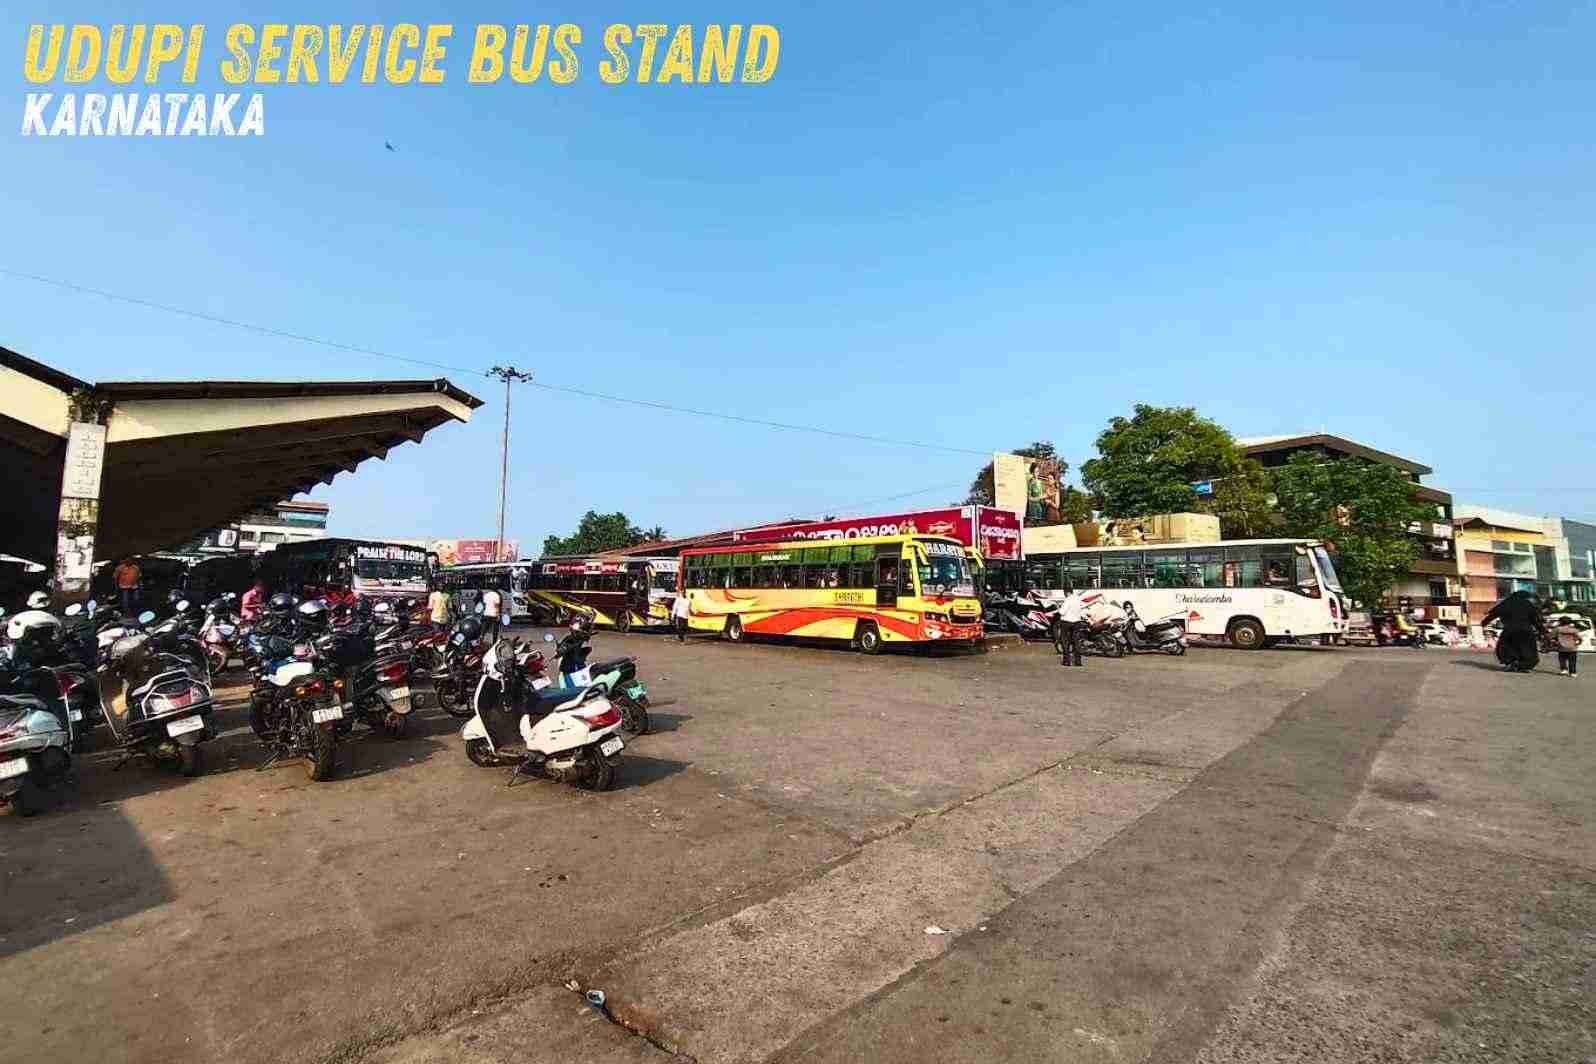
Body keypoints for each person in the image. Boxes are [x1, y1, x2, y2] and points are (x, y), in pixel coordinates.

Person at [1483, 590, 1544, 672]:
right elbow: (1535, 619)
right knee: (1527, 649)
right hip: (1526, 630)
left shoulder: (1506, 602)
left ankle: (1512, 663)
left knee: (1507, 647)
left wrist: (1484, 622)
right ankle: (1523, 666)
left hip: (1510, 630)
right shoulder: (1528, 604)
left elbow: (1494, 612)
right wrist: (1542, 630)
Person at [1055, 591, 1085, 667]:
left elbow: (1062, 612)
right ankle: (1078, 662)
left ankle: (1066, 661)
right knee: (1076, 641)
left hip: (1066, 622)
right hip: (1077, 622)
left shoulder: (1067, 600)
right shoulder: (1078, 600)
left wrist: (1058, 608)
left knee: (1065, 641)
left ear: (1067, 592)